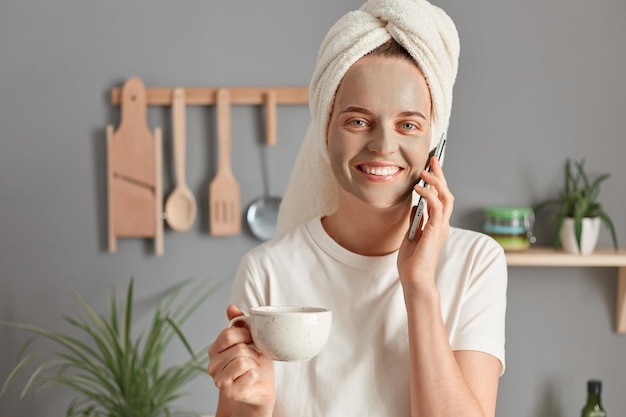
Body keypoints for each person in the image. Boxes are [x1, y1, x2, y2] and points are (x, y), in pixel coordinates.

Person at [208, 1, 507, 416]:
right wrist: (255, 404)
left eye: (408, 125)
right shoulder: (268, 272)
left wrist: (419, 285)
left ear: (434, 143)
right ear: (325, 131)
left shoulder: (475, 263)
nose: (383, 145)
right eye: (358, 121)